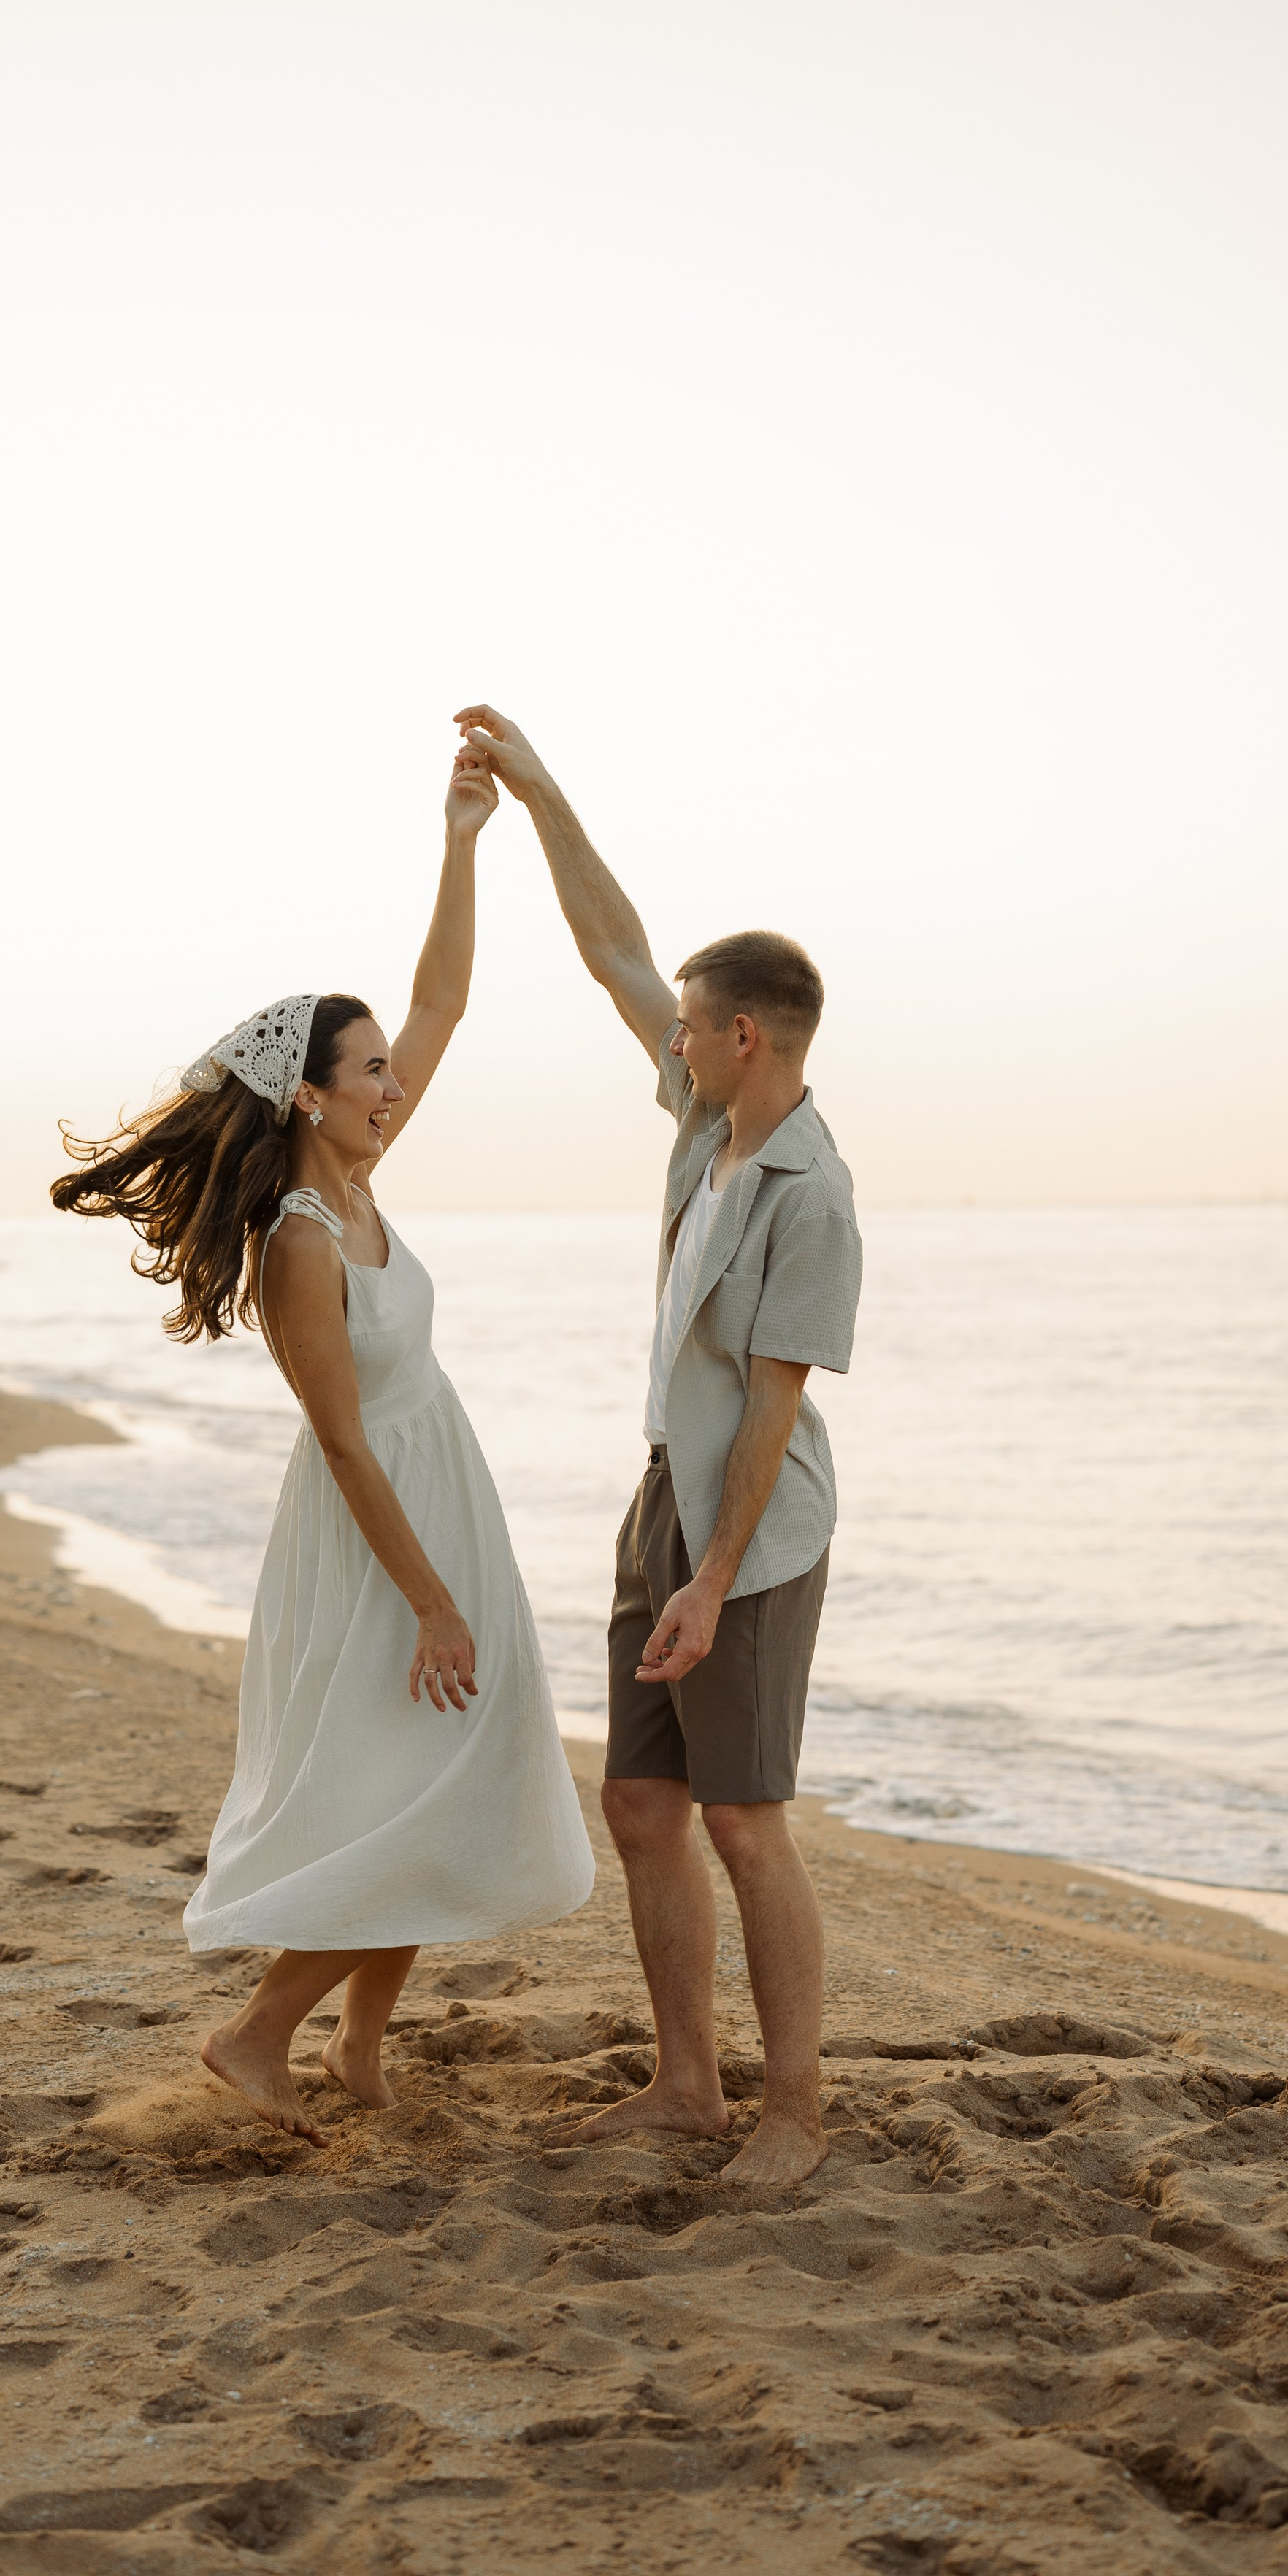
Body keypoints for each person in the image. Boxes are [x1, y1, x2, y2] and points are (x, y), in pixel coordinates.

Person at [50, 742, 594, 2145]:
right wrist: (431, 1601)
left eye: (390, 1073)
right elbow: (345, 1445)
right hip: (377, 1539)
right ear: (308, 1093)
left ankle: (356, 2048)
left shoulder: (358, 1181)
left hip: (438, 1498)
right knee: (414, 1797)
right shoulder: (300, 1239)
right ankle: (254, 2037)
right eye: (368, 1074)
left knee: (429, 1779)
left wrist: (464, 840)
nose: (393, 1085)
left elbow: (443, 1001)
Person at [455, 704, 862, 2185]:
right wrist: (540, 796)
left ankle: (793, 2111)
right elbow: (617, 953)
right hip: (662, 1498)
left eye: (690, 1025)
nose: (668, 1036)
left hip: (749, 1526)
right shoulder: (706, 1126)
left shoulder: (812, 1198)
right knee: (640, 1804)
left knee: (745, 1824)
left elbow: (770, 1409)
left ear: (744, 1036)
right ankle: (686, 2087)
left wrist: (713, 1576)